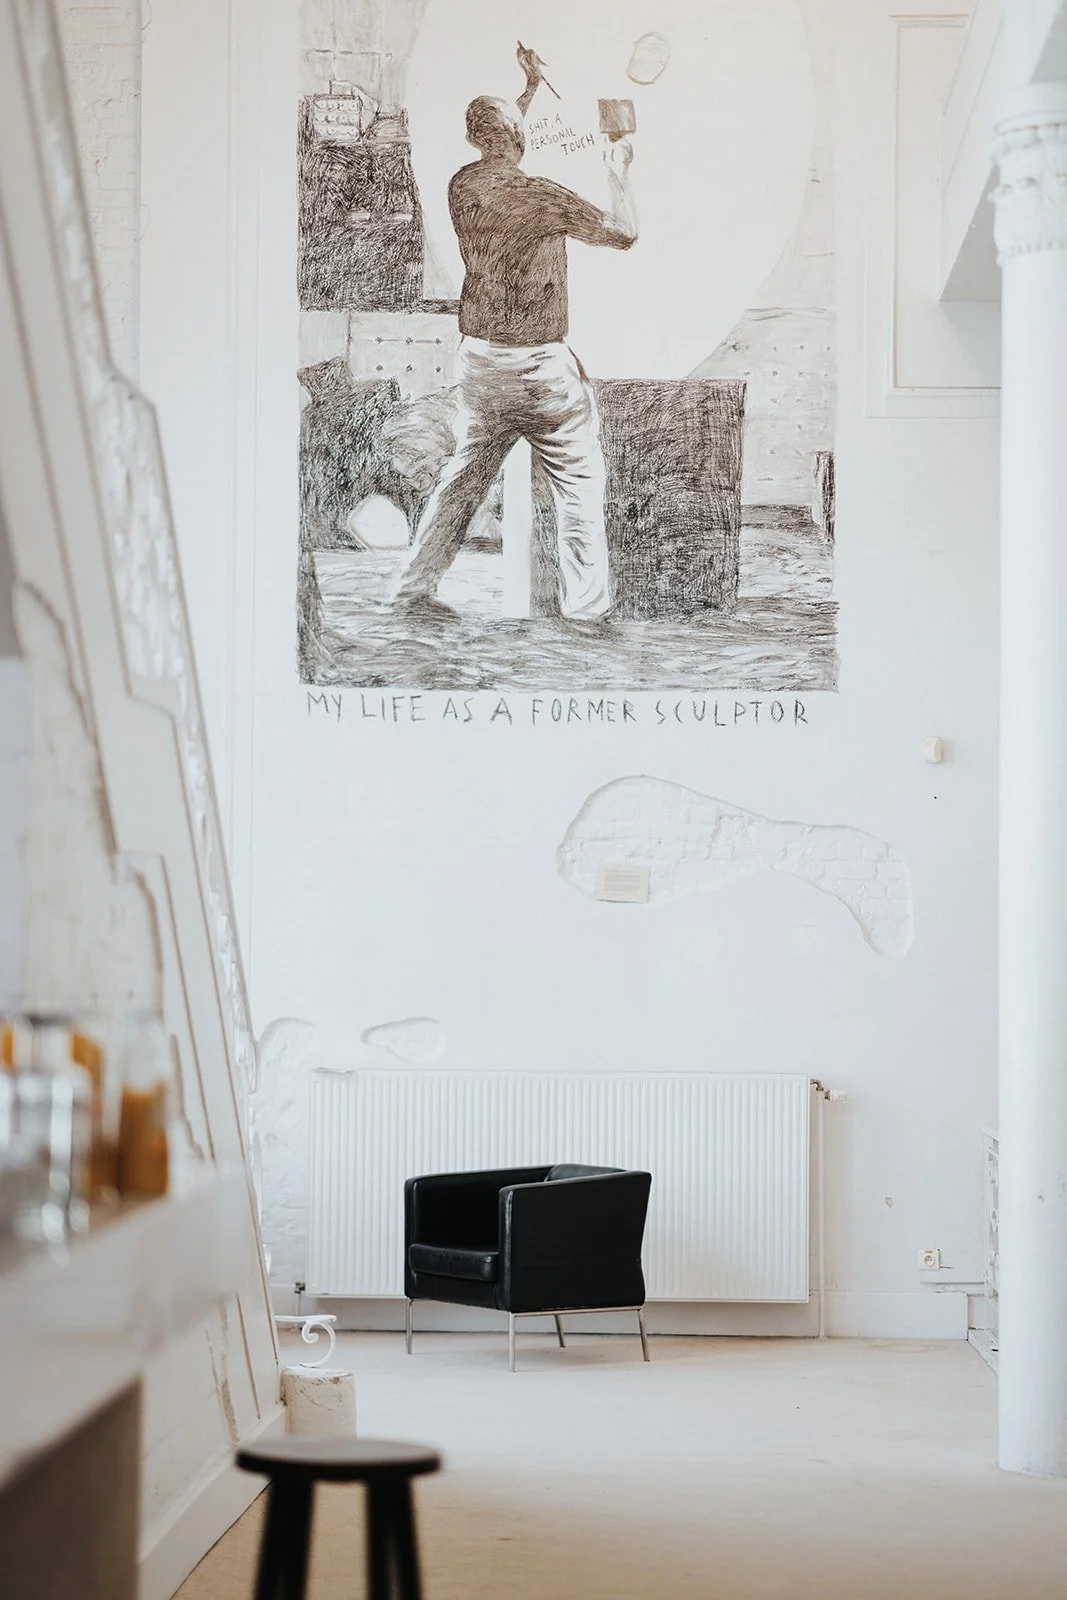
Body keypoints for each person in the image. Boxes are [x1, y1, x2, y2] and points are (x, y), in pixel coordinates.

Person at [392, 49, 637, 623]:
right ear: (518, 137)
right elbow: (624, 233)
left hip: (480, 364)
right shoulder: (542, 196)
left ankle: (411, 589)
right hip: (541, 369)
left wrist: (526, 89)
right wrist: (618, 169)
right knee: (579, 486)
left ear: (475, 138)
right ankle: (586, 609)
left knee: (460, 484)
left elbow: (501, 140)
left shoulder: (462, 186)